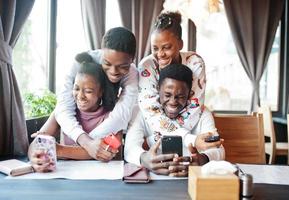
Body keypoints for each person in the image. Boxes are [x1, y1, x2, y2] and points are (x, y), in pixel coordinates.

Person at [124, 63, 225, 177]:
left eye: (180, 96)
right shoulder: (142, 111)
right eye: (167, 95)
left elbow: (219, 150)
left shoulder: (202, 113)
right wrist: (143, 159)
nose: (173, 102)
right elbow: (130, 147)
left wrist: (202, 159)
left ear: (189, 94)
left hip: (189, 180)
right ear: (158, 90)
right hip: (153, 181)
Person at [54, 27, 138, 161]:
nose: (114, 71)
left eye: (123, 66)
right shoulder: (80, 64)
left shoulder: (111, 116)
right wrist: (87, 144)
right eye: (107, 63)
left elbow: (112, 150)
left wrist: (62, 150)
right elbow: (60, 110)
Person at [28, 61, 122, 172]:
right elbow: (36, 144)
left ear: (101, 92)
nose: (80, 96)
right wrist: (35, 156)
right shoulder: (62, 113)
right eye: (76, 89)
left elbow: (110, 152)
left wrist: (59, 150)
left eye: (88, 91)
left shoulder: (113, 117)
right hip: (64, 177)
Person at [138, 11, 207, 152]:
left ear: (180, 44)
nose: (160, 54)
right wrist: (186, 138)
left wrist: (168, 137)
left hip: (185, 130)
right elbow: (152, 112)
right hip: (151, 128)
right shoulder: (147, 66)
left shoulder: (195, 63)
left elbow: (193, 108)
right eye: (155, 48)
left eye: (166, 47)